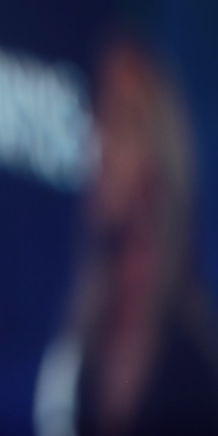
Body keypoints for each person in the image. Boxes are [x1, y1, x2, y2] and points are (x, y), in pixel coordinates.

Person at [34, 37, 218, 436]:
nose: (97, 143)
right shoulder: (79, 335)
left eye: (120, 119)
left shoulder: (196, 364)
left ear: (160, 153)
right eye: (95, 116)